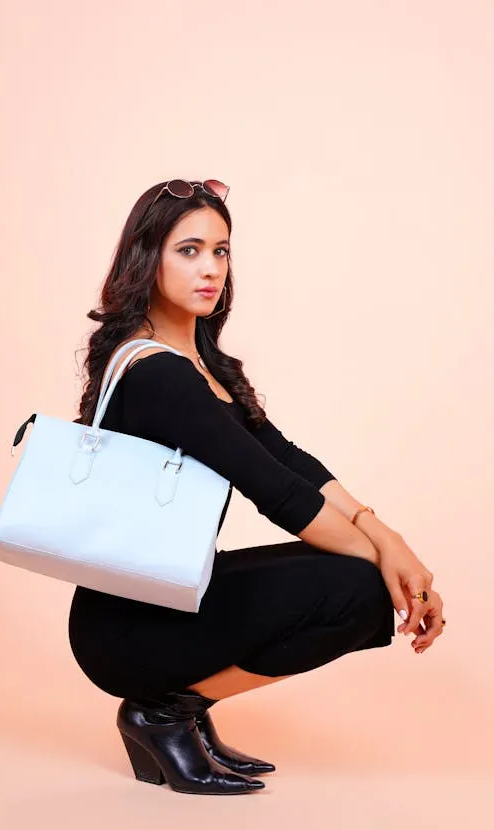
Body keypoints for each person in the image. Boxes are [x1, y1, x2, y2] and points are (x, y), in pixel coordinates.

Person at [69, 178, 445, 796]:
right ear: (147, 257)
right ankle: (164, 712)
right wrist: (390, 570)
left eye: (221, 251)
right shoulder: (154, 374)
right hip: (126, 625)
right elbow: (277, 493)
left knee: (363, 578)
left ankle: (176, 711)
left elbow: (293, 462)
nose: (210, 267)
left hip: (176, 593)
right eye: (188, 250)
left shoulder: (204, 366)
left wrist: (388, 537)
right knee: (359, 592)